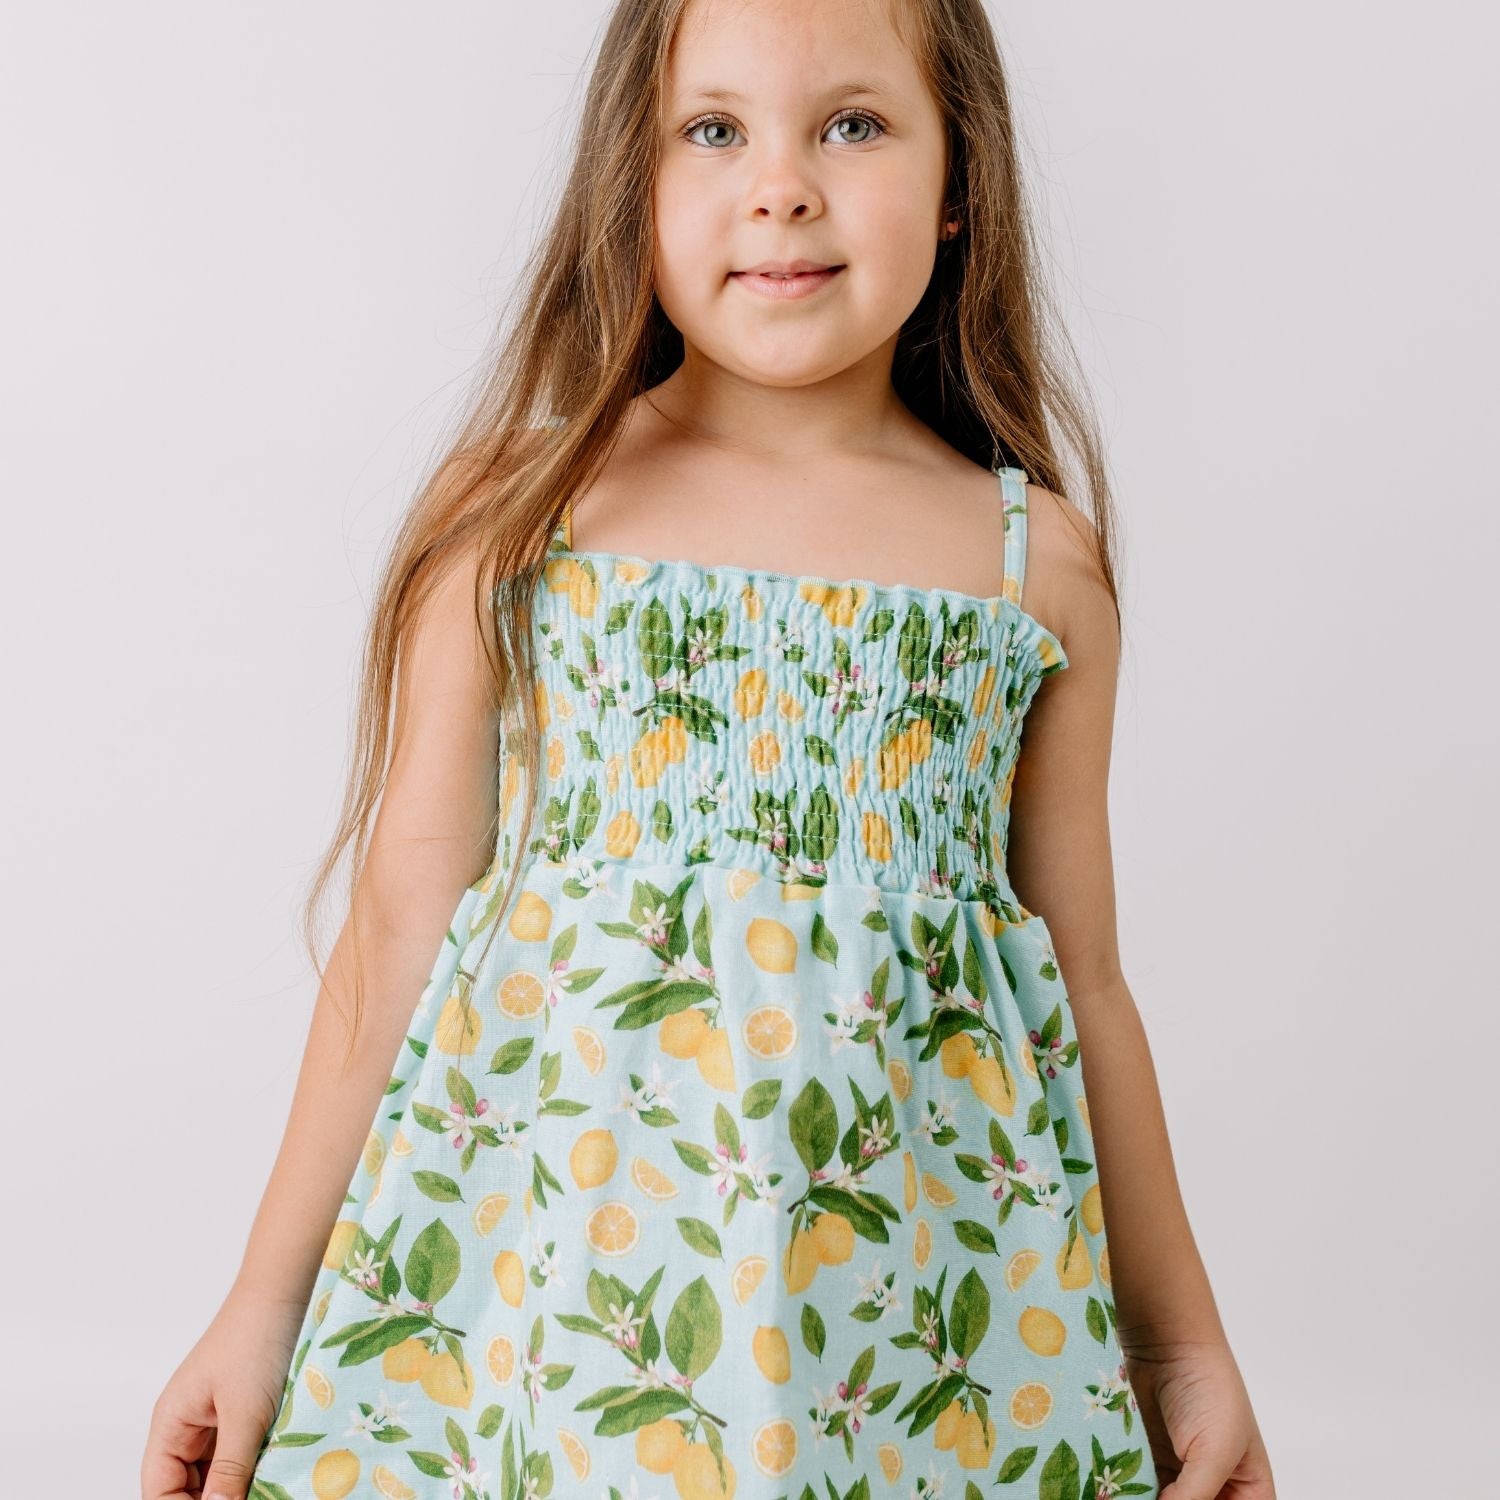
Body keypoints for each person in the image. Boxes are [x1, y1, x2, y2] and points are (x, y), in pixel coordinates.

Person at [143, 2, 1276, 1498]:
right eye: (715, 130)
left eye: (853, 126)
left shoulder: (1029, 565)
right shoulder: (519, 518)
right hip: (567, 1305)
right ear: (635, 177)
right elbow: (400, 925)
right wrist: (262, 1307)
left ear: (960, 183)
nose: (781, 187)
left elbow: (1089, 984)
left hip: (917, 1330)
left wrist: (1179, 1346)